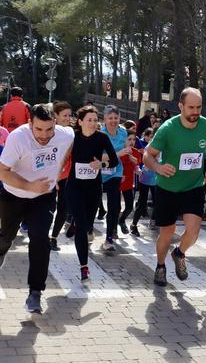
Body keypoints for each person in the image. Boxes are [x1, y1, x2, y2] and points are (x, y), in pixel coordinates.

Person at [0, 104, 75, 314]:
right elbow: (2, 173)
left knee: (40, 239)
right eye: (38, 130)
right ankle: (1, 248)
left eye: (49, 129)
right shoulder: (18, 138)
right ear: (30, 124)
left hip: (43, 197)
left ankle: (35, 292)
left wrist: (57, 173)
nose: (44, 135)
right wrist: (29, 186)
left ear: (55, 122)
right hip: (13, 196)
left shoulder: (65, 135)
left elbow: (69, 146)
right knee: (6, 235)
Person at [143, 87, 206, 287]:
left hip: (193, 187)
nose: (195, 112)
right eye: (191, 107)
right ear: (180, 106)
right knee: (167, 234)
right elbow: (147, 154)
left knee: (193, 231)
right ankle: (160, 266)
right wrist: (158, 167)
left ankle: (179, 253)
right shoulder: (168, 129)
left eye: (199, 107)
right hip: (167, 188)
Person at [63, 105, 117, 281]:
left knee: (86, 226)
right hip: (74, 187)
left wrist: (101, 165)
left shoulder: (101, 138)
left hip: (93, 189)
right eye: (89, 120)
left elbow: (114, 160)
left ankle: (78, 224)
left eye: (95, 120)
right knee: (81, 227)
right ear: (80, 122)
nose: (93, 123)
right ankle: (84, 267)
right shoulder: (73, 137)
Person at [100, 105, 130, 252]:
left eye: (116, 118)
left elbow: (126, 149)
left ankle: (109, 239)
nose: (113, 121)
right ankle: (86, 229)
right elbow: (99, 156)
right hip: (99, 172)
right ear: (104, 119)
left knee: (114, 206)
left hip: (115, 172)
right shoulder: (100, 133)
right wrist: (119, 153)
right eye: (110, 118)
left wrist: (129, 155)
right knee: (92, 205)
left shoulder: (123, 132)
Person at [48, 101, 74, 252]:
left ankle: (54, 238)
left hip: (67, 176)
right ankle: (43, 234)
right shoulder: (49, 132)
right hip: (50, 176)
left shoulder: (71, 132)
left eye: (70, 115)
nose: (68, 118)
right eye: (64, 115)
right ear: (55, 116)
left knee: (63, 207)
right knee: (49, 207)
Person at [117, 131, 142, 235]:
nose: (132, 142)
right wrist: (119, 174)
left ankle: (121, 220)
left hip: (128, 182)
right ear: (124, 140)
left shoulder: (135, 152)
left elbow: (136, 164)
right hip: (117, 182)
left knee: (129, 206)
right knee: (116, 207)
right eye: (129, 139)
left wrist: (137, 169)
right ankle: (113, 230)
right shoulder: (119, 150)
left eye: (134, 139)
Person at [133, 131, 157, 235]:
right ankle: (134, 225)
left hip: (157, 178)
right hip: (146, 177)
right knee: (142, 203)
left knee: (157, 202)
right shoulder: (149, 146)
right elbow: (146, 161)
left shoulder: (165, 147)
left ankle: (153, 221)